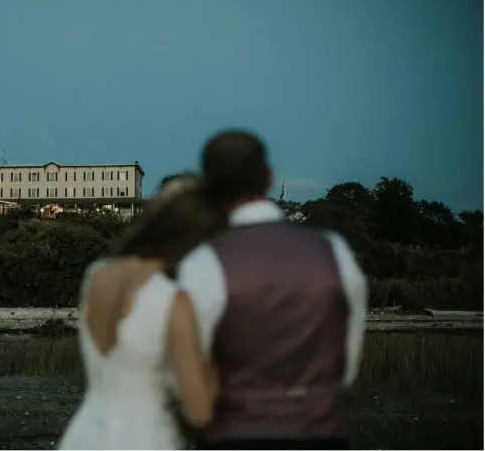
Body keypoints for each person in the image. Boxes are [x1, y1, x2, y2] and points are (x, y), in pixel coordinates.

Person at [176, 129, 369, 450]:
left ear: (208, 189)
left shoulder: (201, 264)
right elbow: (346, 367)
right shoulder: (334, 252)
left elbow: (194, 384)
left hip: (233, 437)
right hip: (320, 435)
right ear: (268, 177)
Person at [58, 176, 222, 450]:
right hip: (145, 436)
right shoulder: (172, 301)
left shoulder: (97, 276)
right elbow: (200, 411)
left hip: (86, 432)